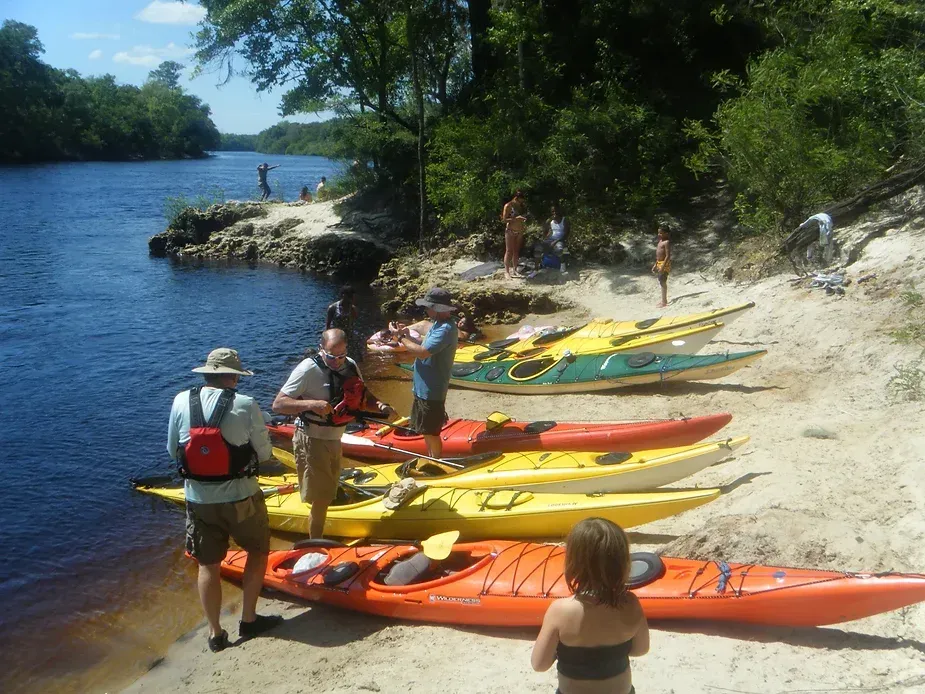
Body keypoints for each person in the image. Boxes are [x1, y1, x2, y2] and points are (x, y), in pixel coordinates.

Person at [167, 348, 282, 653]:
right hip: (242, 497)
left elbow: (171, 450)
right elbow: (266, 454)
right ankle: (248, 619)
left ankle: (215, 634)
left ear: (206, 373)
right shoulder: (246, 404)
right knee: (257, 552)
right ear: (233, 377)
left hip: (198, 500)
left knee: (208, 565)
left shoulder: (180, 400)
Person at [271, 329, 394, 538]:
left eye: (341, 355)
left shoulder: (351, 365)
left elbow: (363, 395)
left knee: (328, 493)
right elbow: (278, 404)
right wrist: (312, 404)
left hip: (335, 439)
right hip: (311, 438)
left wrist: (381, 405)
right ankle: (315, 545)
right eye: (331, 356)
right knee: (320, 499)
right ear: (321, 349)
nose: (337, 361)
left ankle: (321, 532)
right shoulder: (307, 369)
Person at [531, 518, 649, 694]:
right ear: (623, 562)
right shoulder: (630, 603)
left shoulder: (561, 611)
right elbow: (640, 650)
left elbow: (539, 664)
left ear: (573, 562)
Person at [395, 287, 459, 457]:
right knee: (425, 430)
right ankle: (432, 459)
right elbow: (425, 344)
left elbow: (422, 352)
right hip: (423, 388)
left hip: (432, 390)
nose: (426, 309)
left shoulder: (445, 329)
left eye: (428, 306)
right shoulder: (438, 325)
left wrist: (400, 338)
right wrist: (408, 335)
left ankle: (436, 462)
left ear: (437, 308)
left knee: (431, 432)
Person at [501, 190, 528, 279]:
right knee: (509, 251)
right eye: (521, 200)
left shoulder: (522, 206)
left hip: (520, 231)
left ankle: (515, 270)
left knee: (516, 251)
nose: (522, 202)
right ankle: (507, 272)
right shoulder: (508, 206)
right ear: (517, 198)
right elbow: (504, 220)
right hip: (510, 230)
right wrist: (516, 219)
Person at [538, 205, 571, 272]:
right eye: (553, 211)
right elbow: (548, 233)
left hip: (560, 240)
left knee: (559, 249)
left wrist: (555, 241)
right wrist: (545, 239)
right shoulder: (551, 221)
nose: (554, 212)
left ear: (559, 211)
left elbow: (566, 234)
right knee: (538, 247)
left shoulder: (564, 220)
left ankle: (562, 264)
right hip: (551, 239)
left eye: (556, 211)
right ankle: (541, 264)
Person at [651, 225, 671, 308]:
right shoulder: (659, 242)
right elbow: (658, 256)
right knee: (661, 281)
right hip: (659, 263)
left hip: (664, 264)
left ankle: (664, 302)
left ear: (666, 233)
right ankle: (663, 300)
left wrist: (663, 266)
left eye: (661, 233)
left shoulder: (666, 242)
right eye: (658, 233)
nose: (659, 234)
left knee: (663, 281)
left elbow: (667, 256)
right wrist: (655, 265)